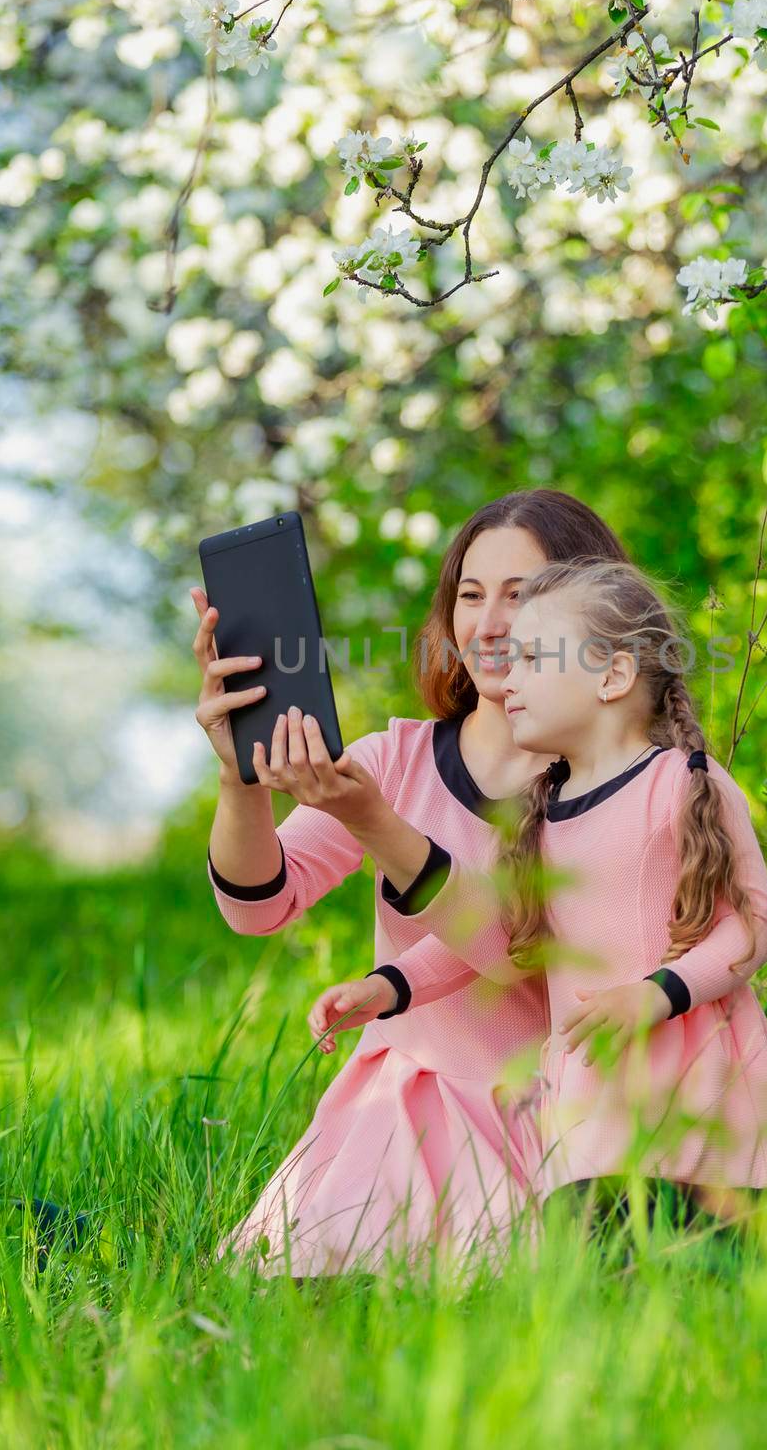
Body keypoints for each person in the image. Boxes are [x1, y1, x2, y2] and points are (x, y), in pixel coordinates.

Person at [315, 556, 767, 1238]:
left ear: (613, 676)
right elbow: (496, 933)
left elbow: (751, 927)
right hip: (593, 1100)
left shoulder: (680, 784)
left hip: (698, 1083)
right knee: (613, 1271)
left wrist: (658, 992)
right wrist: (386, 987)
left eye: (534, 657)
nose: (510, 677)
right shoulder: (540, 810)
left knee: (735, 1260)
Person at [193, 490, 632, 1281]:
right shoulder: (393, 760)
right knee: (314, 1287)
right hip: (399, 1109)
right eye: (470, 595)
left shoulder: (612, 777)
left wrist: (376, 825)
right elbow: (259, 908)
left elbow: (516, 951)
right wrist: (240, 780)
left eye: (521, 595)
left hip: (551, 1106)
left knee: (517, 1289)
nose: (489, 623)